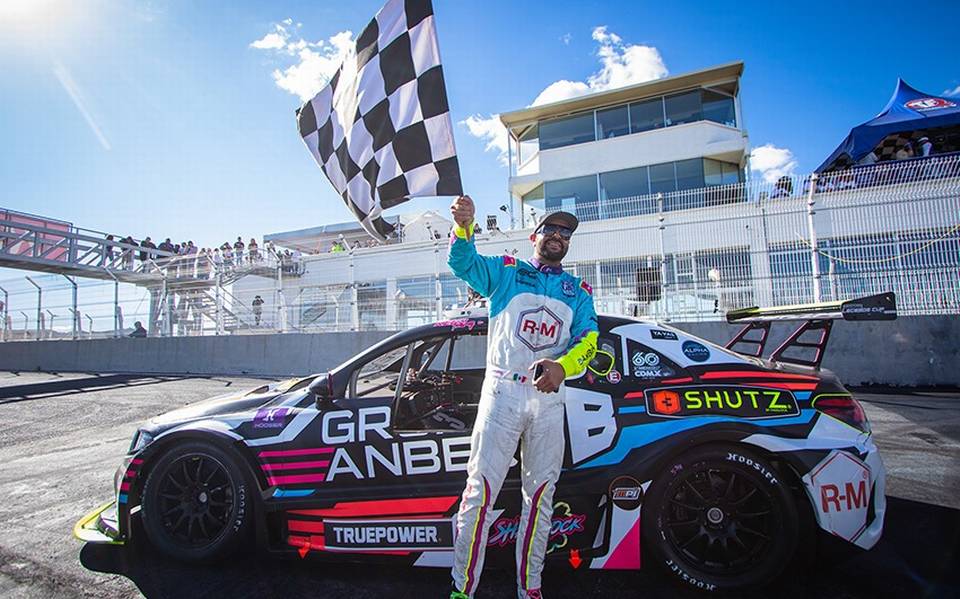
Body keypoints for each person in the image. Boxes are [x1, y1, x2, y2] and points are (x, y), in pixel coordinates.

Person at [447, 195, 598, 599]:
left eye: (565, 233)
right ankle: (462, 590)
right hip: (502, 393)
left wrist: (563, 367)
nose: (558, 236)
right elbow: (463, 263)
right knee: (478, 495)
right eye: (551, 229)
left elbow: (589, 341)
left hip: (548, 401)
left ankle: (530, 588)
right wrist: (463, 227)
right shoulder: (507, 272)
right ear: (535, 236)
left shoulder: (578, 292)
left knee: (541, 500)